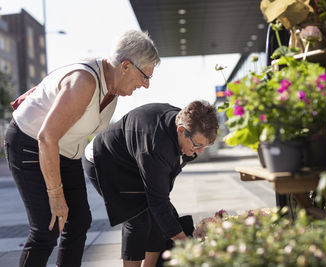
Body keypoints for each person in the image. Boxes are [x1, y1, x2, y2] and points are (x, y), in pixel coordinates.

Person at [4, 29, 160, 267]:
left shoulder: (113, 86)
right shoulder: (84, 81)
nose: (146, 85)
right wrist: (56, 195)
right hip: (31, 144)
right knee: (47, 227)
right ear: (126, 66)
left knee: (78, 222)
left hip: (66, 151)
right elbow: (47, 137)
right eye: (145, 76)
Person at [82, 101, 219, 267]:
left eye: (204, 146)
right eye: (197, 145)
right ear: (181, 130)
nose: (200, 151)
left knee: (157, 222)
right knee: (137, 220)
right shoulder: (155, 146)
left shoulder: (185, 120)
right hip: (105, 160)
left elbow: (160, 199)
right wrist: (188, 247)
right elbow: (158, 202)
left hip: (135, 160)